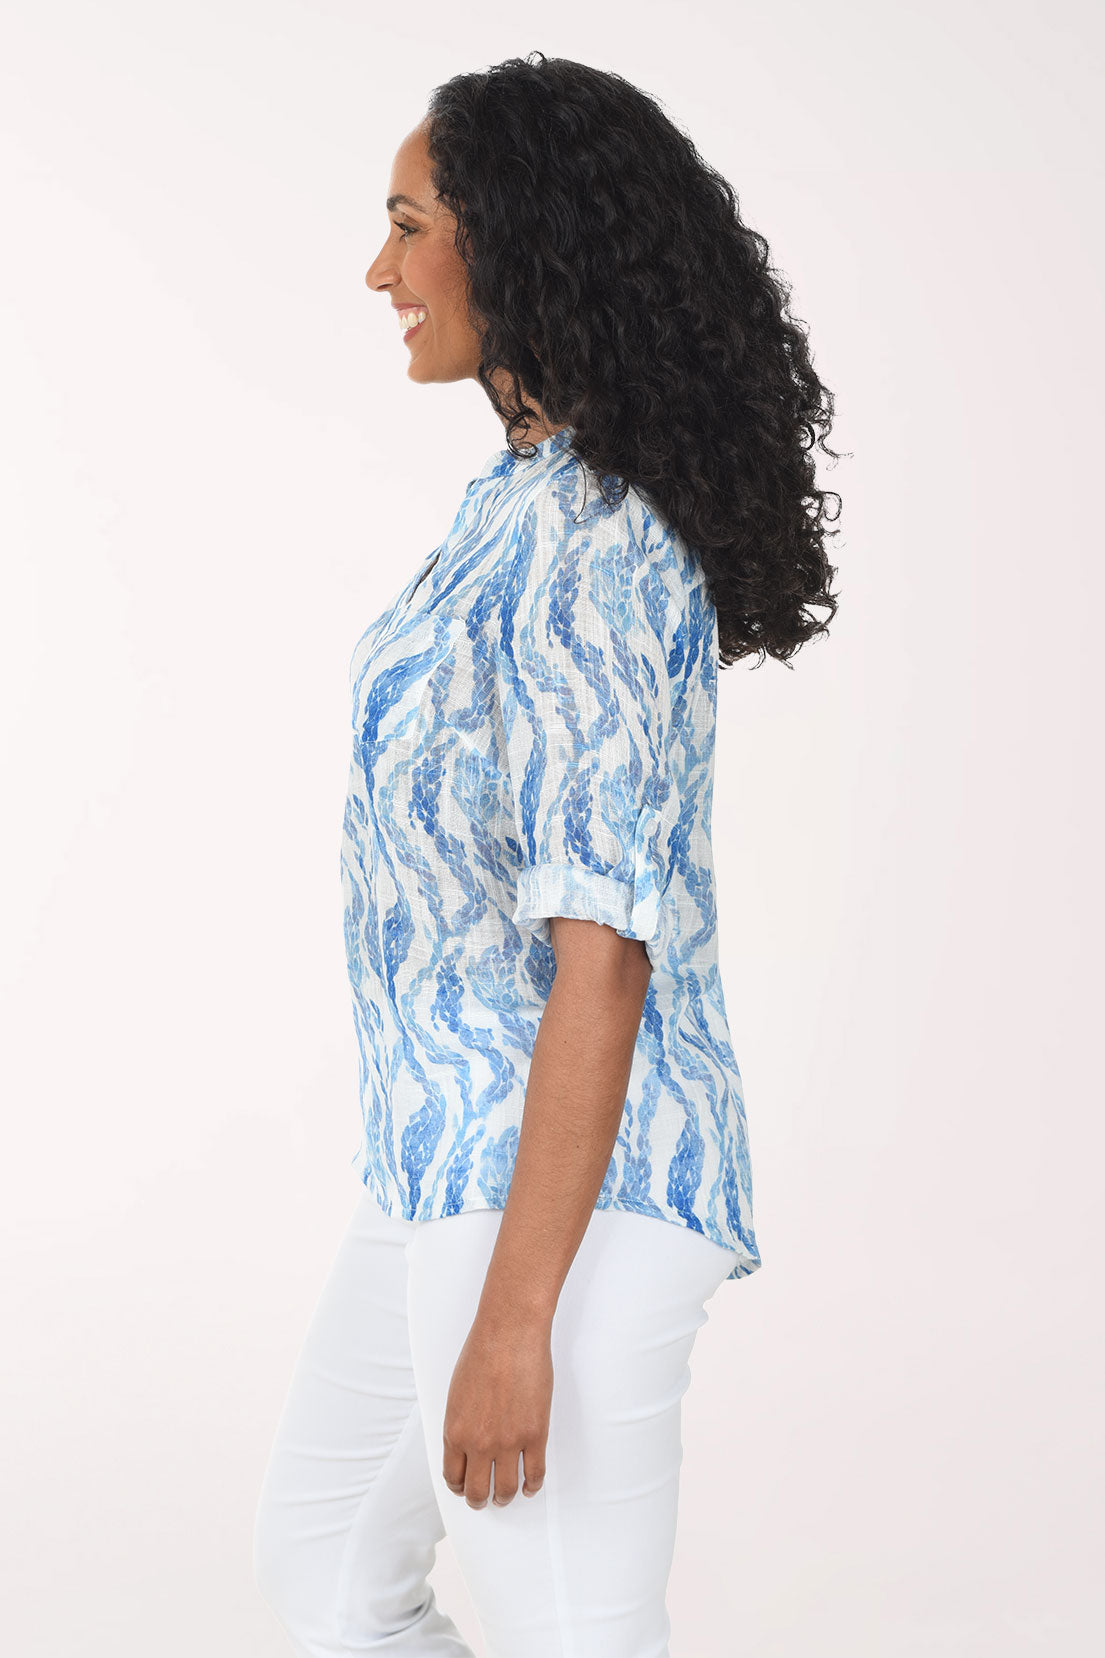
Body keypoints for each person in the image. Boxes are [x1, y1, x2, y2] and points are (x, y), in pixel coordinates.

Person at [253, 51, 841, 1658]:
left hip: (572, 1195)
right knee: (328, 1575)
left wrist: (522, 1315)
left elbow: (606, 952)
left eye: (409, 225)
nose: (380, 270)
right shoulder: (515, 506)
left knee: (566, 1631)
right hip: (437, 1164)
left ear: (512, 244)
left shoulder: (604, 548)